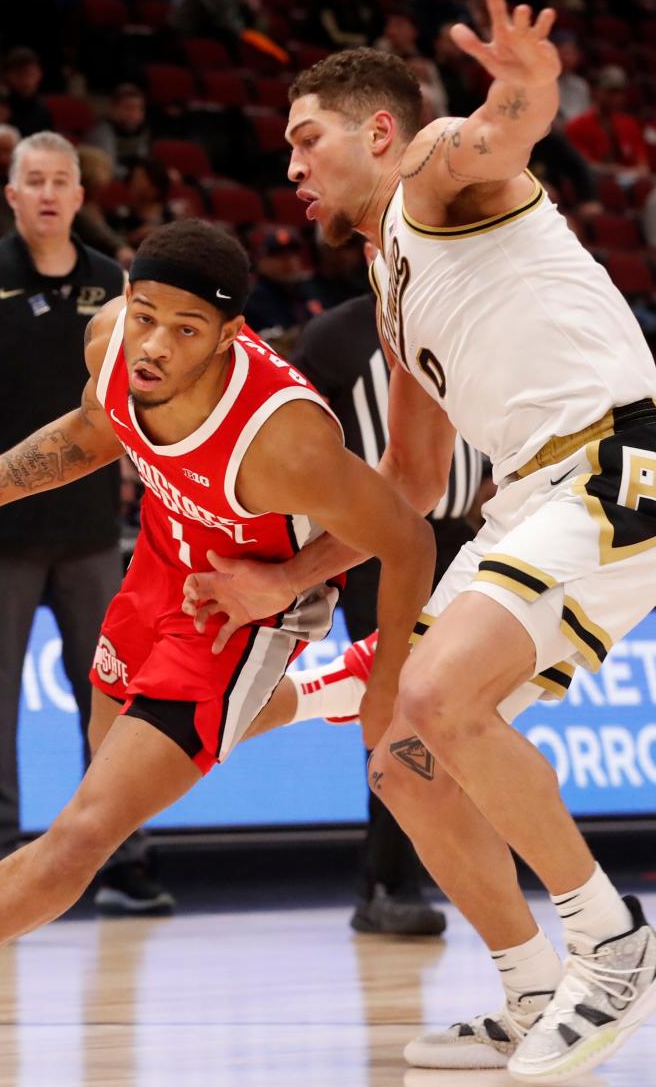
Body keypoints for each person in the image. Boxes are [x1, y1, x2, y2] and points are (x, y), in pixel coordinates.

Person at [185, 0, 656, 1081]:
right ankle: (527, 989)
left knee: (433, 697)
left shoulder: (429, 170)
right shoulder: (389, 284)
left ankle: (614, 946)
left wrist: (526, 80)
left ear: (376, 130)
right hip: (530, 499)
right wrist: (284, 577)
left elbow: (505, 129)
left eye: (306, 139)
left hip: (616, 465)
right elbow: (410, 484)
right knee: (403, 758)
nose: (291, 167)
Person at [0, 216, 435, 1072]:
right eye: (146, 313)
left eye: (186, 329)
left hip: (244, 602)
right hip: (162, 560)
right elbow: (95, 431)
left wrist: (362, 658)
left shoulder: (286, 440)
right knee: (107, 768)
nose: (154, 344)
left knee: (87, 830)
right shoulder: (111, 340)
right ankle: (320, 695)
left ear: (232, 336)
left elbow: (407, 535)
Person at [0, 131, 145, 905]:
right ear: (10, 195)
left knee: (111, 701)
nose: (46, 193)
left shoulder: (118, 285)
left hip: (87, 533)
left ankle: (123, 861)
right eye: (32, 181)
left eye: (61, 181)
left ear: (80, 196)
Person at [292, 257, 483, 937]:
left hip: (461, 539)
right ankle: (384, 882)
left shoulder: (464, 325)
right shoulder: (335, 336)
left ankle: (420, 871)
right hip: (376, 547)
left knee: (453, 710)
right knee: (394, 708)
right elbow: (303, 450)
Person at [564, 65, 649, 177]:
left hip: (630, 183)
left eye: (620, 93)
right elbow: (581, 165)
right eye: (611, 92)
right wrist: (616, 171)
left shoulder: (630, 124)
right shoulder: (577, 126)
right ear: (597, 91)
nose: (617, 98)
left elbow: (643, 164)